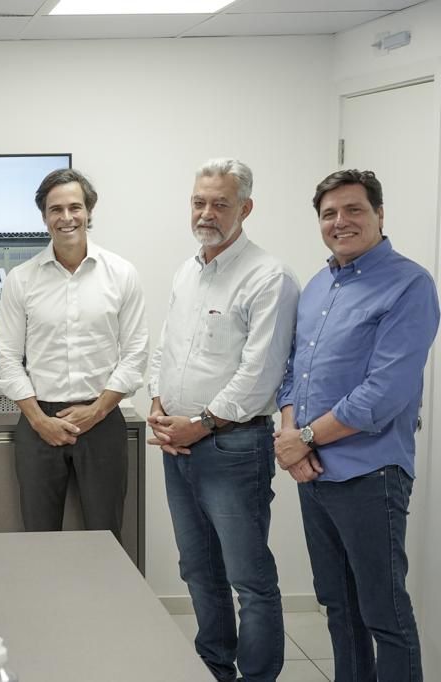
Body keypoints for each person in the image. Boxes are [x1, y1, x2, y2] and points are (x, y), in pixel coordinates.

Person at [275, 170, 438, 682]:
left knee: (383, 615)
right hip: (315, 475)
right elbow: (293, 371)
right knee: (338, 610)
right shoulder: (319, 284)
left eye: (354, 210)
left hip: (370, 476)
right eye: (329, 214)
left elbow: (382, 396)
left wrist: (300, 440)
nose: (340, 222)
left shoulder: (410, 284)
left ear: (380, 215)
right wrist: (291, 438)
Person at [148, 158, 299, 682]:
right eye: (199, 201)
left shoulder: (269, 276)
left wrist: (202, 422)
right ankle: (214, 666)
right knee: (198, 570)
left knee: (249, 579)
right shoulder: (187, 270)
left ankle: (256, 676)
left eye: (220, 203)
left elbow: (261, 374)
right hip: (178, 445)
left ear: (245, 208)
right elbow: (165, 346)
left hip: (234, 448)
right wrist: (157, 403)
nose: (206, 213)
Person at [0, 168, 148, 539]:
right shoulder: (22, 279)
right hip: (38, 422)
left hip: (103, 418)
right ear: (44, 217)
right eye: (56, 209)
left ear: (89, 212)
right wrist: (38, 419)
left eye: (75, 207)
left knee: (105, 538)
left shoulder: (121, 274)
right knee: (40, 537)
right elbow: (8, 358)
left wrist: (97, 411)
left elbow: (136, 353)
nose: (66, 218)